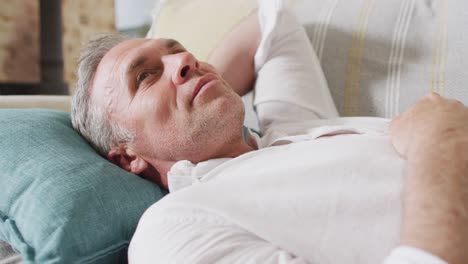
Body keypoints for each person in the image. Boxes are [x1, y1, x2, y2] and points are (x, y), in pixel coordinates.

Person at [71, 1, 468, 263]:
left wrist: (192, 86)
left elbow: (272, 23)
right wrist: (441, 144)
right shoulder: (173, 229)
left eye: (177, 49)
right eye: (144, 76)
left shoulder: (293, 125)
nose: (185, 58)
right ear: (127, 156)